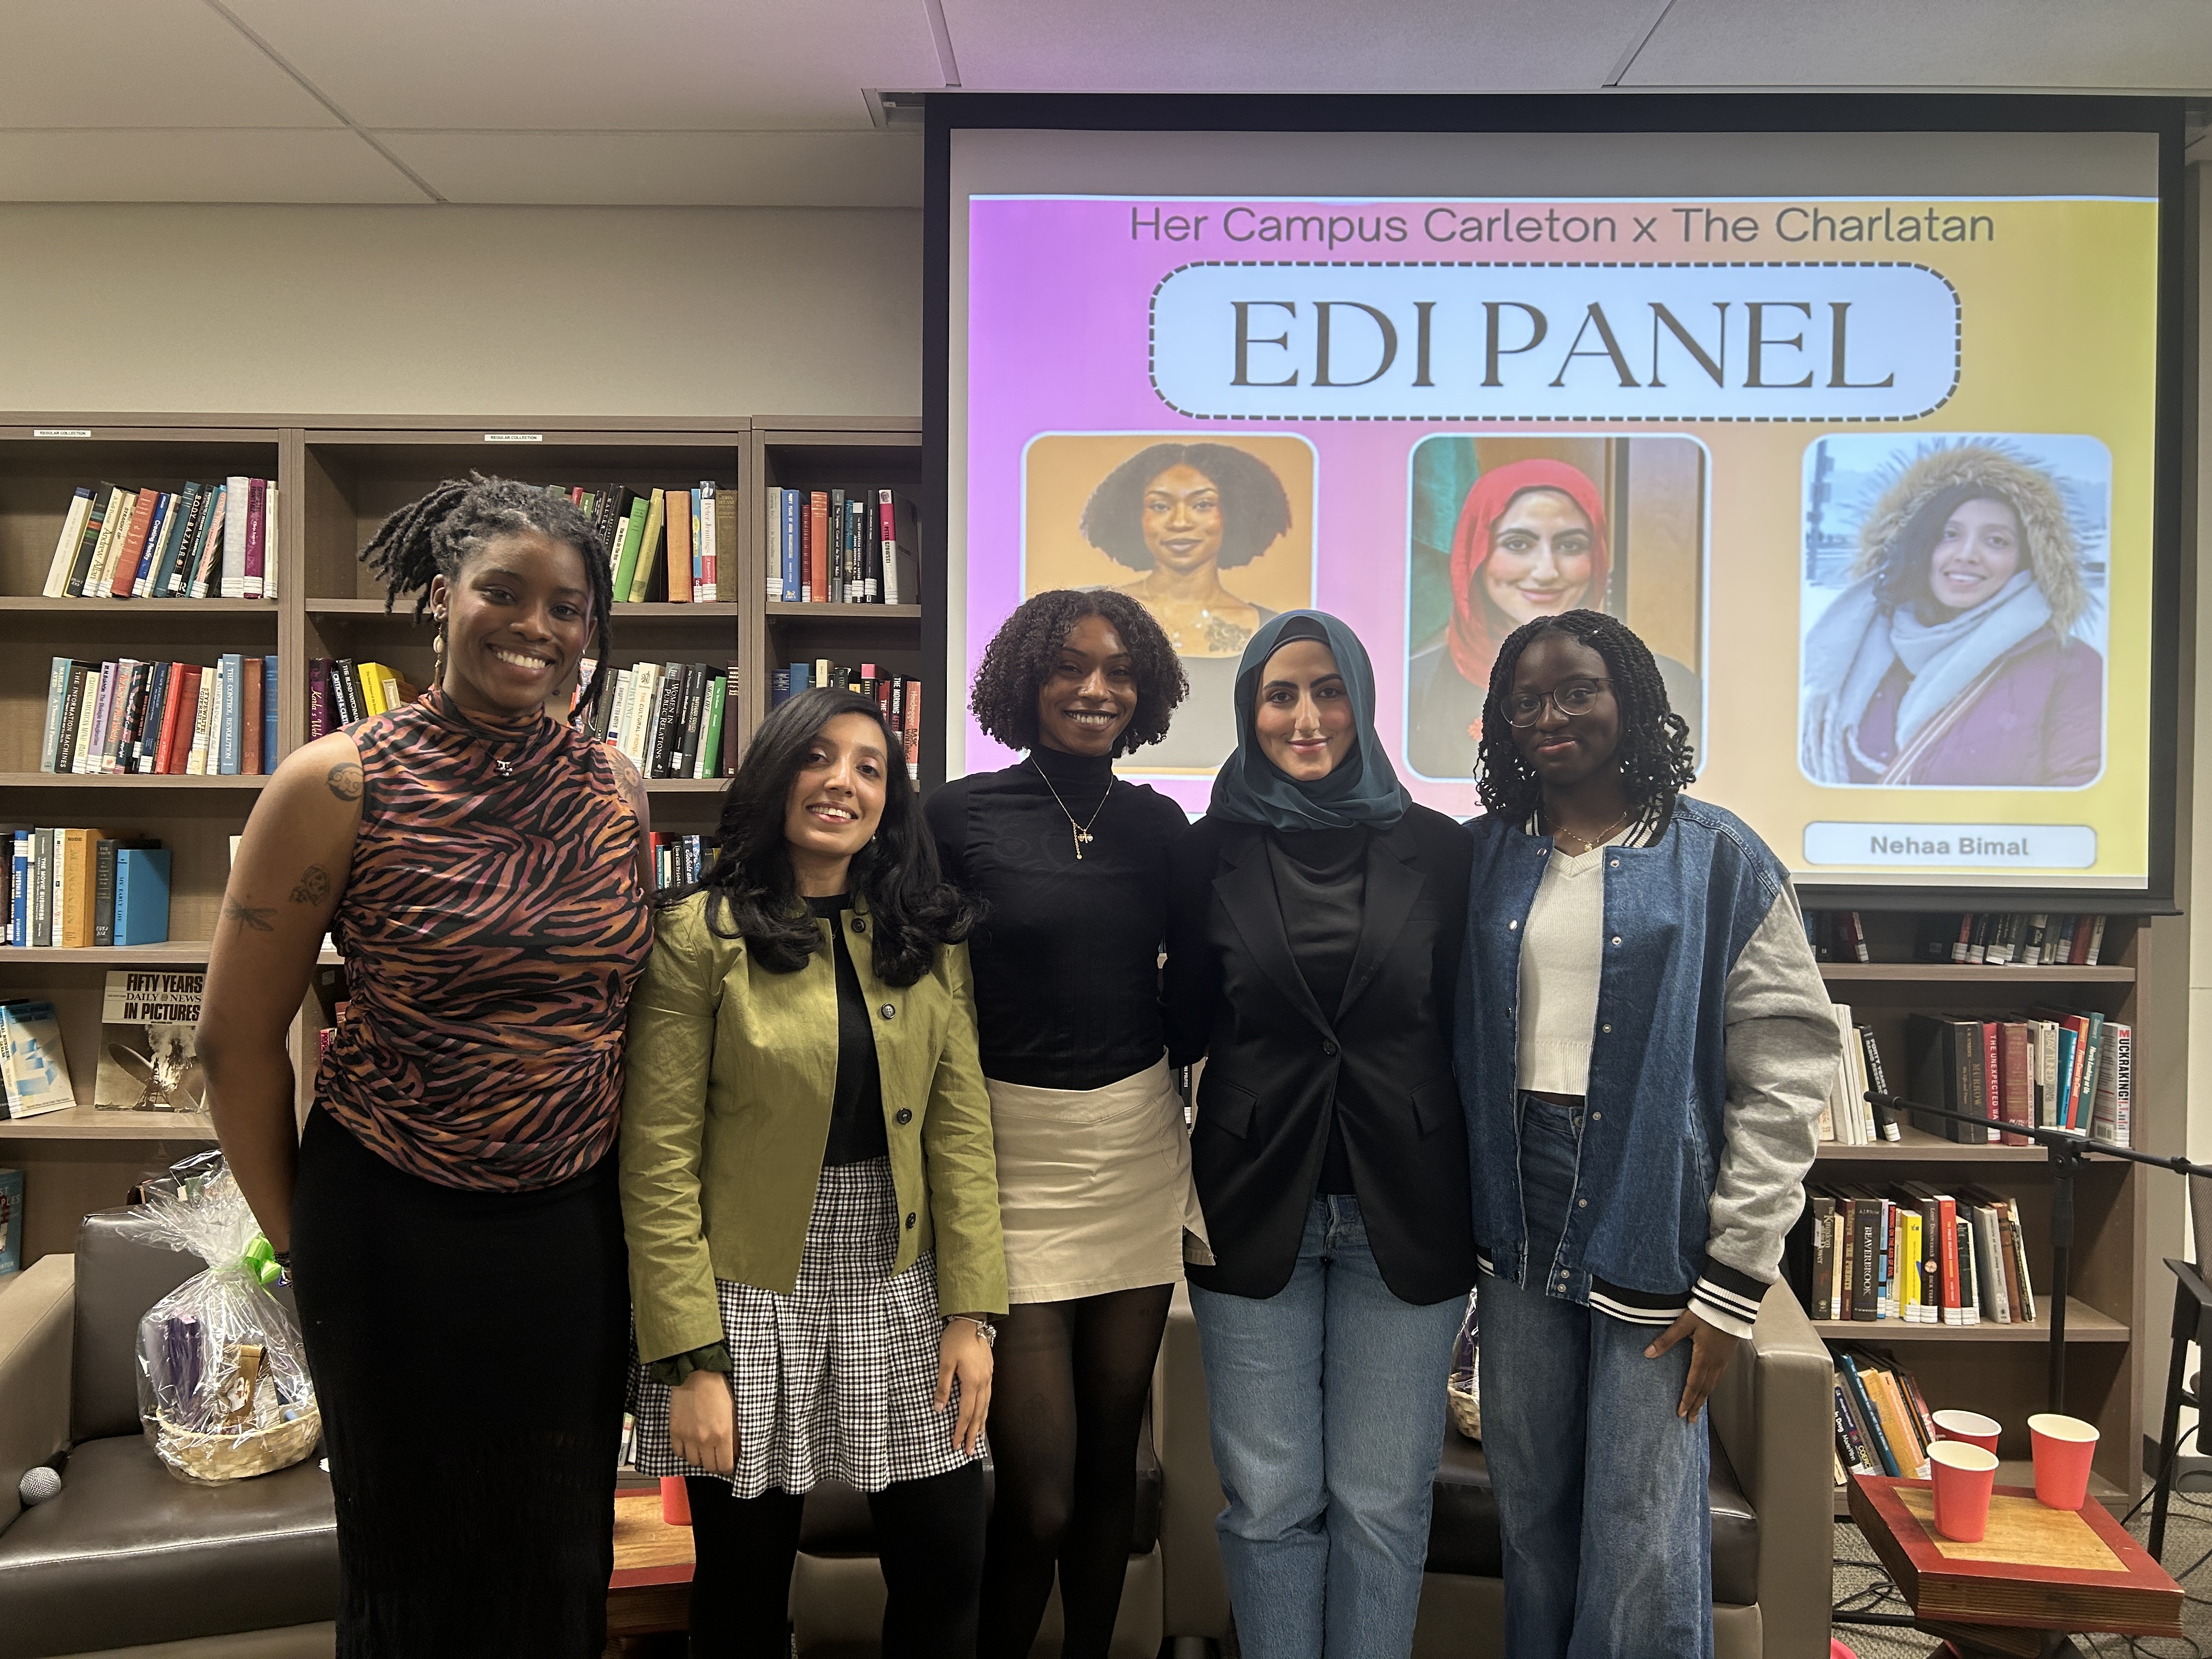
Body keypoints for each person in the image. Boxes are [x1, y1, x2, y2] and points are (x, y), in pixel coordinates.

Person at [196, 476, 649, 1656]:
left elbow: (618, 1006)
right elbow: (234, 1044)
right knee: (408, 1563)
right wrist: (304, 1244)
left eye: (567, 607)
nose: (535, 628)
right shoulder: (337, 782)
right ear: (439, 599)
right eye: (503, 592)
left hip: (570, 1233)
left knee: (560, 1555)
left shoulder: (615, 786)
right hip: (390, 1225)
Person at [1455, 608, 1839, 1659]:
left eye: (1578, 689)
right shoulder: (1479, 856)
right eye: (1525, 699)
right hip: (1516, 1205)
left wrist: (1736, 1278)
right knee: (1531, 1509)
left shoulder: (1719, 856)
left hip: (1653, 1208)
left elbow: (1787, 1072)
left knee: (1640, 1523)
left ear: (1630, 697)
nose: (1550, 715)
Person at [622, 687, 1005, 1659]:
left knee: (947, 1565)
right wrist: (691, 1360)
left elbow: (960, 1135)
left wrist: (972, 1315)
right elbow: (657, 1159)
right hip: (744, 1284)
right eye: (819, 757)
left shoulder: (927, 936)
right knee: (744, 1592)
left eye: (870, 767)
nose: (843, 781)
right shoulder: (697, 935)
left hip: (902, 1272)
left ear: (890, 800)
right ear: (775, 775)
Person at [1163, 610, 1475, 1659]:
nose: (1306, 715)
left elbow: (1468, 1025)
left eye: (1327, 689)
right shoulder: (1207, 852)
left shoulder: (1439, 847)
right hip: (1255, 1205)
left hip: (1409, 1204)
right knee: (1267, 1497)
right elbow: (1187, 1021)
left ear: (1363, 699)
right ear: (1249, 711)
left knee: (1382, 1499)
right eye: (1279, 693)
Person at [927, 589, 1203, 1659]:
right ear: (1026, 680)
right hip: (1007, 1160)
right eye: (1072, 668)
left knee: (1106, 1470)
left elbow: (1194, 996)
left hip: (1133, 1149)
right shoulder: (956, 818)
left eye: (1120, 670)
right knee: (1038, 1492)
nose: (1096, 689)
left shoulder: (1161, 828)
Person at [1800, 441, 2103, 787]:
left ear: (2027, 559)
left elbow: (2077, 799)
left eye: (1997, 541)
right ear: (1920, 545)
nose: (1968, 555)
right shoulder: (1854, 652)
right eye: (1949, 535)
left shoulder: (2069, 668)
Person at [1407, 457, 1701, 779]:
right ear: (1475, 554)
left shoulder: (1671, 686)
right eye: (1518, 544)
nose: (1547, 572)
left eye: (1571, 545)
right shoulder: (1411, 686)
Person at [1080, 441, 1294, 771]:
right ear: (1135, 516)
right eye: (1161, 506)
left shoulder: (1271, 631)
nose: (1180, 522)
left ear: (1234, 513)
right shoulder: (1087, 617)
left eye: (1203, 504)